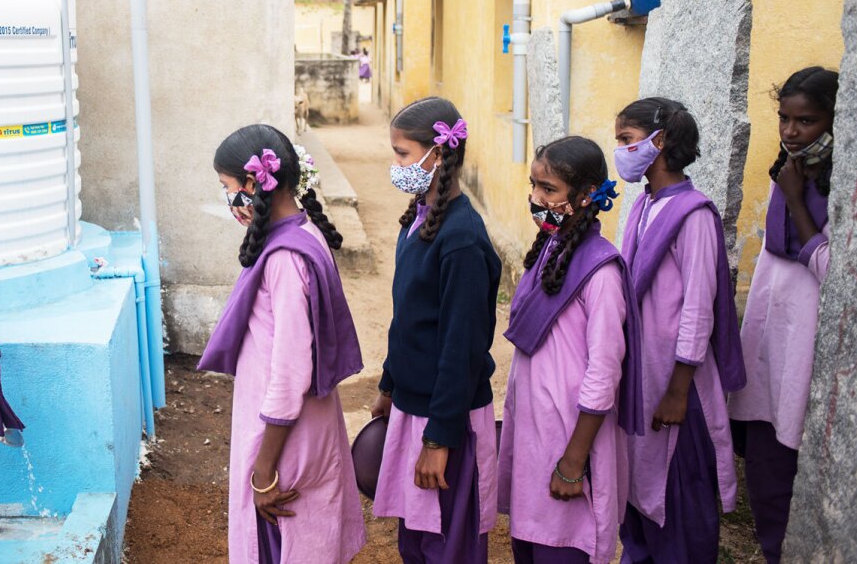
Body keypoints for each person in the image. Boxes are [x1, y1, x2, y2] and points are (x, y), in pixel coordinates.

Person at [198, 125, 365, 563]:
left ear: (252, 184)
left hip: (284, 439)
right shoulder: (306, 234)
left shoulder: (286, 258)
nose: (227, 198)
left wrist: (264, 469)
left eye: (227, 187)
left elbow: (290, 374)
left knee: (285, 546)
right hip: (300, 427)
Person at [613, 98, 746, 564]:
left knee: (678, 494)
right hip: (642, 377)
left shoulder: (694, 215)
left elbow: (697, 309)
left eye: (627, 141)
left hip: (675, 386)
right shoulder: (644, 205)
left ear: (660, 141)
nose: (622, 151)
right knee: (638, 492)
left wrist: (678, 388)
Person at [499, 136, 643, 564]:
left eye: (549, 190)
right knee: (530, 537)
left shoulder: (600, 273)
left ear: (584, 198)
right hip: (534, 434)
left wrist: (573, 461)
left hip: (569, 438)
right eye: (534, 186)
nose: (535, 198)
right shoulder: (549, 250)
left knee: (562, 542)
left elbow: (603, 372)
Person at [372, 96, 502, 563]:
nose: (396, 165)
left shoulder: (462, 239)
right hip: (414, 406)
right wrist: (390, 383)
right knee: (418, 540)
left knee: (450, 543)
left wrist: (439, 441)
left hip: (447, 419)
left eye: (403, 154)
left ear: (439, 154)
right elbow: (408, 316)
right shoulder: (420, 219)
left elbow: (461, 348)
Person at [729, 67, 838, 563]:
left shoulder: (842, 187)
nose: (792, 132)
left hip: (810, 353)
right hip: (771, 348)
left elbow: (836, 273)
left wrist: (797, 202)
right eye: (784, 119)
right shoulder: (787, 172)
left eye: (807, 121)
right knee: (767, 478)